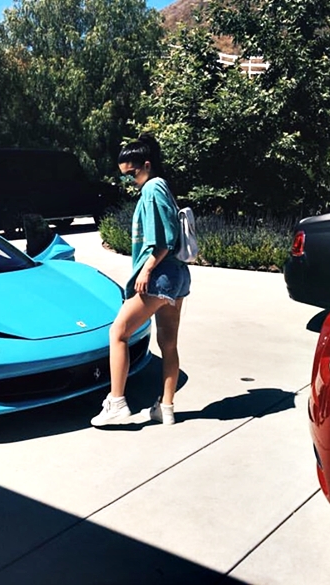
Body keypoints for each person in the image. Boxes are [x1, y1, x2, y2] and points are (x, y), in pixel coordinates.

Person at [91, 134, 191, 427]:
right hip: (177, 278)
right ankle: (166, 408)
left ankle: (117, 404)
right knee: (168, 343)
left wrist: (146, 271)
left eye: (132, 174)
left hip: (159, 277)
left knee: (118, 333)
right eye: (124, 177)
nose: (129, 181)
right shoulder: (163, 189)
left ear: (147, 165)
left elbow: (164, 241)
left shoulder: (152, 189)